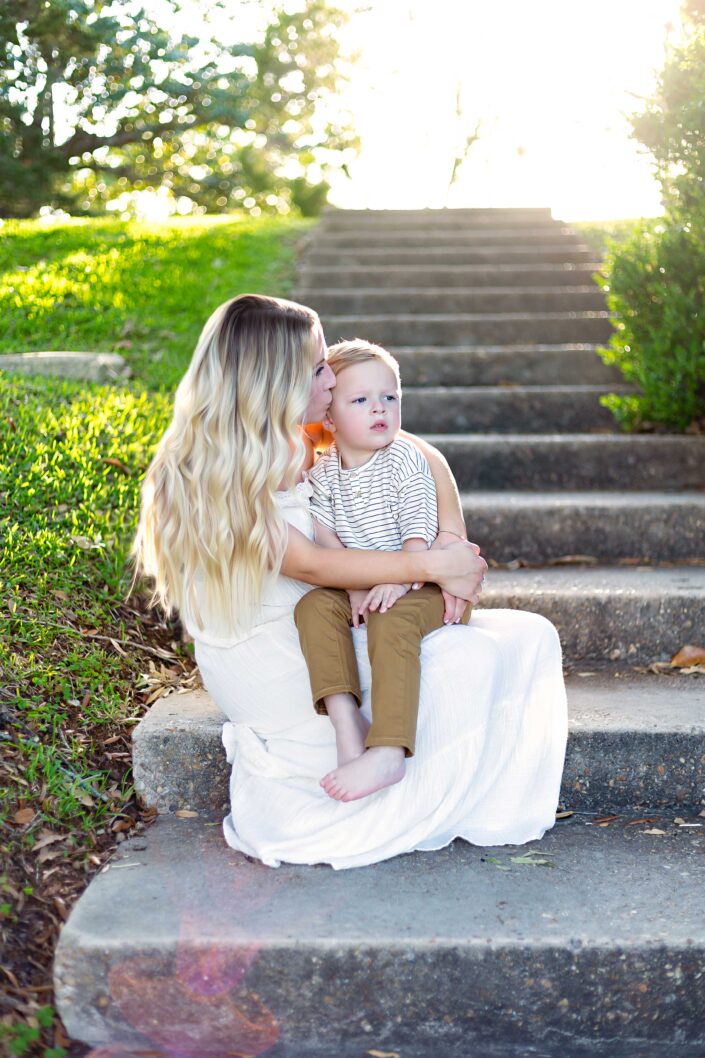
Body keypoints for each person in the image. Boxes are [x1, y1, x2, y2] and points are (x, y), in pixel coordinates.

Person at [133, 293, 567, 870]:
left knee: (522, 635)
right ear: (276, 379)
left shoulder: (289, 440)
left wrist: (450, 539)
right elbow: (311, 565)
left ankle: (374, 736)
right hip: (275, 659)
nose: (330, 380)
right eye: (317, 369)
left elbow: (412, 452)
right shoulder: (213, 468)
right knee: (483, 654)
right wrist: (429, 567)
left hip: (316, 622)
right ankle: (367, 744)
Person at [295, 339, 472, 804]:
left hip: (423, 582)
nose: (379, 408)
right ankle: (345, 721)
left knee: (393, 619)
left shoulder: (405, 460)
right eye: (360, 400)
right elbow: (325, 536)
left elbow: (418, 530)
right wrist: (354, 587)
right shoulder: (323, 472)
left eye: (389, 398)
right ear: (329, 419)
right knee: (314, 605)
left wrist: (399, 578)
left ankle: (390, 748)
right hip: (366, 581)